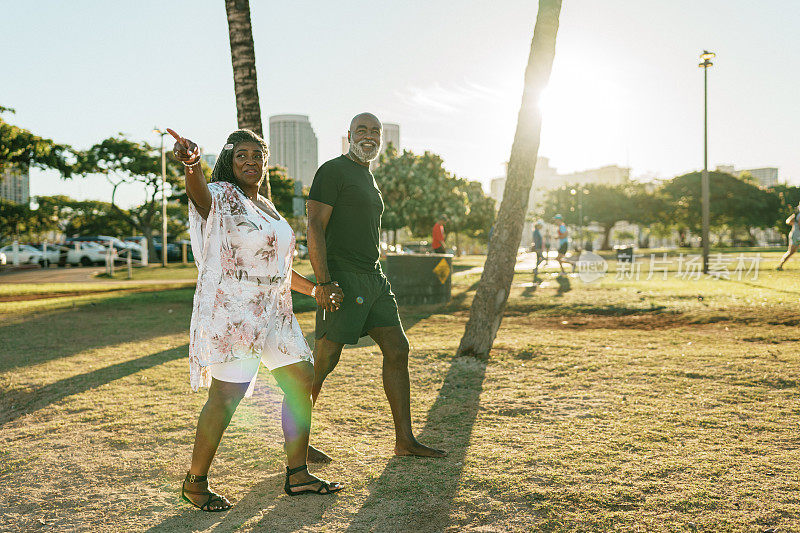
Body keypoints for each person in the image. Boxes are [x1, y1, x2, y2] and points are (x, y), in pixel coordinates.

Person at [171, 128, 344, 512]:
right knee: (227, 395)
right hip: (235, 309)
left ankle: (297, 474)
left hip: (275, 308)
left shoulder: (267, 206)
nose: (250, 162)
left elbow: (277, 268)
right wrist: (191, 164)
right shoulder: (221, 195)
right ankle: (195, 483)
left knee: (302, 378)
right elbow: (198, 195)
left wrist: (313, 289)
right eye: (241, 156)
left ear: (266, 163)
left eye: (257, 156)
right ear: (230, 162)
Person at [306, 112, 447, 459]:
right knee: (324, 361)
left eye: (375, 132)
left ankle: (405, 441)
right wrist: (324, 282)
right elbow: (314, 226)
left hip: (374, 278)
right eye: (362, 130)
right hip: (343, 278)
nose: (369, 136)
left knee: (398, 349)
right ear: (349, 134)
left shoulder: (368, 177)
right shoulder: (333, 170)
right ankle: (298, 441)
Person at [777, 203, 800, 270]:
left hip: (794, 234)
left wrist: (794, 224)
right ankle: (780, 265)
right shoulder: (798, 214)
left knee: (791, 251)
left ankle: (780, 265)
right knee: (791, 251)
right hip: (797, 235)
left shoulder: (796, 214)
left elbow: (788, 221)